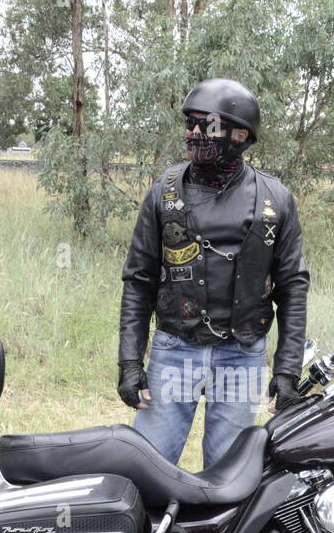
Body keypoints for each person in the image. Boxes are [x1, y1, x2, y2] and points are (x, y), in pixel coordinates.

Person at [117, 77, 309, 468]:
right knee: (147, 466)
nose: (193, 133)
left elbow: (292, 287)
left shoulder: (276, 200)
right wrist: (129, 362)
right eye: (190, 123)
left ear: (239, 134)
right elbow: (139, 281)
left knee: (228, 474)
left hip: (242, 354)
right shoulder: (163, 193)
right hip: (175, 349)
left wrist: (287, 369)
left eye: (206, 124)